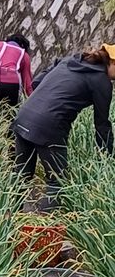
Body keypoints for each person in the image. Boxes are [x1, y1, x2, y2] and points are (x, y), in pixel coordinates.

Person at [11, 44, 115, 209]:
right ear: (111, 63)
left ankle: (6, 222)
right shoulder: (101, 81)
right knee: (57, 181)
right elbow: (102, 125)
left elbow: (37, 82)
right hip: (49, 125)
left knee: (21, 175)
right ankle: (43, 230)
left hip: (24, 116)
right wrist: (107, 158)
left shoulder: (68, 61)